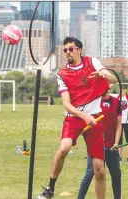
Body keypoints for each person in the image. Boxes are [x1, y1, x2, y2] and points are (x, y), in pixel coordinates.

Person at [37, 37, 117, 199]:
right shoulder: (62, 74)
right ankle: (50, 188)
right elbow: (66, 104)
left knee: (99, 169)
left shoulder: (92, 62)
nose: (67, 52)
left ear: (79, 50)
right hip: (74, 117)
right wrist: (83, 116)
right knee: (65, 147)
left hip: (94, 118)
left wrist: (103, 74)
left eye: (71, 49)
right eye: (65, 50)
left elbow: (113, 79)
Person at [77, 88, 122, 199]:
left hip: (111, 146)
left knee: (116, 175)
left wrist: (116, 142)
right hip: (96, 146)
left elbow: (119, 124)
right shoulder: (92, 103)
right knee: (89, 174)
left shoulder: (116, 102)